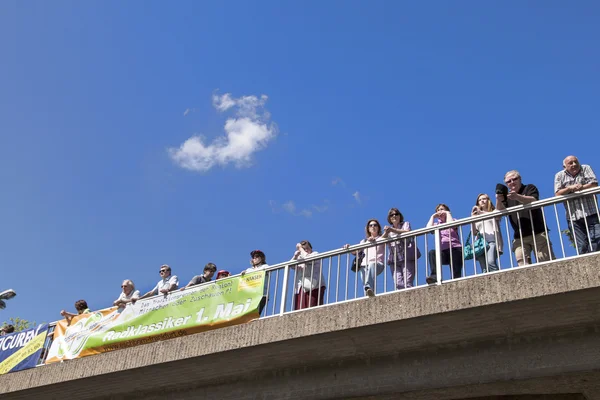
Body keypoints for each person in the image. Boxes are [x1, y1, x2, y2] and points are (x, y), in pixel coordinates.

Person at [496, 170, 555, 266]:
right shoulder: (507, 197)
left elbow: (533, 200)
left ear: (520, 179)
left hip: (537, 232)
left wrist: (517, 197)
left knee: (545, 262)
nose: (512, 182)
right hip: (519, 236)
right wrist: (499, 199)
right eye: (508, 181)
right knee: (522, 263)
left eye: (514, 179)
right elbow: (499, 212)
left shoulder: (529, 187)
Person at [554, 156, 599, 254]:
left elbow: (594, 184)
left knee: (596, 241)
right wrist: (570, 188)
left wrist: (581, 187)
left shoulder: (585, 168)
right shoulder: (559, 175)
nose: (574, 164)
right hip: (573, 217)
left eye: (575, 162)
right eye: (570, 163)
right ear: (564, 166)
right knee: (582, 245)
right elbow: (557, 193)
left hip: (591, 212)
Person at [344, 219, 385, 297]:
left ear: (378, 228)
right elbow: (356, 252)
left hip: (377, 264)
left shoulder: (382, 238)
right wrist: (348, 247)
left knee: (372, 267)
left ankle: (368, 287)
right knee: (367, 289)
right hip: (364, 265)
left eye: (375, 225)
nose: (373, 226)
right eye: (371, 225)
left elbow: (386, 236)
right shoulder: (364, 241)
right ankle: (369, 298)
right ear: (368, 229)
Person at [381, 208, 418, 289]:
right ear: (389, 218)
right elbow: (380, 241)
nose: (394, 216)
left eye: (396, 214)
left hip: (406, 256)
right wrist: (386, 233)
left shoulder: (405, 224)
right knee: (398, 284)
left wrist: (393, 230)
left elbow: (408, 232)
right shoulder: (388, 230)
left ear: (400, 216)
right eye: (392, 215)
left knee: (408, 282)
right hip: (394, 259)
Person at [426, 204, 463, 284]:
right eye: (438, 210)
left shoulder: (453, 219)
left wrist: (448, 213)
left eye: (442, 209)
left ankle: (456, 283)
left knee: (456, 274)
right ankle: (434, 276)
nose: (440, 211)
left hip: (455, 249)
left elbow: (451, 225)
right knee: (432, 253)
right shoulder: (436, 225)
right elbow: (428, 229)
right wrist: (433, 216)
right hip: (443, 251)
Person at [470, 194, 504, 273]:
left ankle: (499, 280)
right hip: (480, 244)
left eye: (484, 199)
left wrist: (481, 213)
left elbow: (496, 216)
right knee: (484, 269)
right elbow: (474, 232)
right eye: (480, 200)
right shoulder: (476, 216)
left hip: (492, 241)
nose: (482, 201)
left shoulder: (494, 211)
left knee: (491, 262)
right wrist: (472, 218)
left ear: (488, 200)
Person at [290, 240, 326, 309]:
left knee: (313, 307)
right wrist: (295, 256)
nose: (306, 250)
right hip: (301, 287)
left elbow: (309, 259)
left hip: (315, 286)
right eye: (304, 249)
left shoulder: (315, 254)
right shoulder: (300, 257)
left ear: (311, 248)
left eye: (307, 248)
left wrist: (301, 249)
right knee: (300, 309)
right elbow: (291, 266)